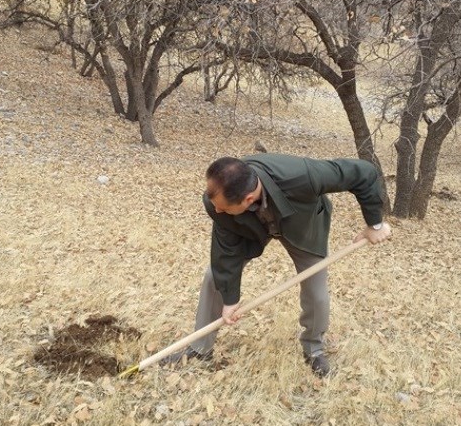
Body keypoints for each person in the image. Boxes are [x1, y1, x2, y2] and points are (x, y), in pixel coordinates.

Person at [161, 153, 391, 376]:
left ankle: (314, 349)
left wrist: (375, 225)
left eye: (223, 208)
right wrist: (230, 300)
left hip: (301, 225)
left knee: (316, 292)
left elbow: (364, 172)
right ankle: (200, 349)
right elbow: (226, 252)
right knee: (215, 277)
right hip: (252, 227)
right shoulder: (216, 202)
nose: (217, 210)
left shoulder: (303, 175)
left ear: (248, 199)